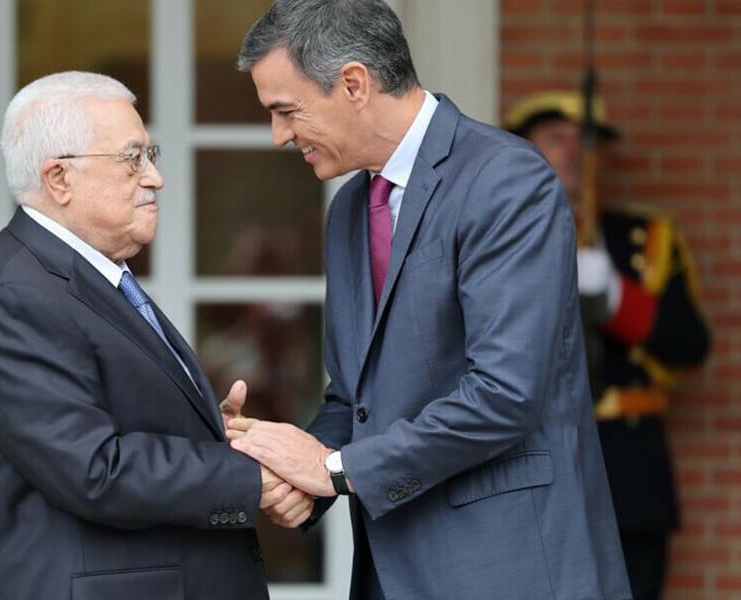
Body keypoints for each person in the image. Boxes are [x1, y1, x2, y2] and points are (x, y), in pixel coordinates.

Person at [226, 2, 632, 599]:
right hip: (392, 571)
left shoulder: (506, 180)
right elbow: (353, 399)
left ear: (355, 83)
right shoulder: (346, 211)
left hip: (510, 568)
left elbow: (505, 393)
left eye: (287, 111)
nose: (279, 135)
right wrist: (296, 470)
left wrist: (334, 472)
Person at [0, 71, 311, 599]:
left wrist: (210, 432)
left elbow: (110, 419)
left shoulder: (84, 275)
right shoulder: (14, 297)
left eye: (150, 154)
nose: (155, 177)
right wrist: (252, 478)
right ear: (59, 179)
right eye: (132, 158)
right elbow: (94, 469)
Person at [505, 90, 711, 600]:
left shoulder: (644, 239)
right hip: (533, 455)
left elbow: (690, 342)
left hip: (628, 461)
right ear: (525, 147)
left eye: (587, 141)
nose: (574, 152)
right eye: (557, 138)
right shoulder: (500, 230)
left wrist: (619, 298)